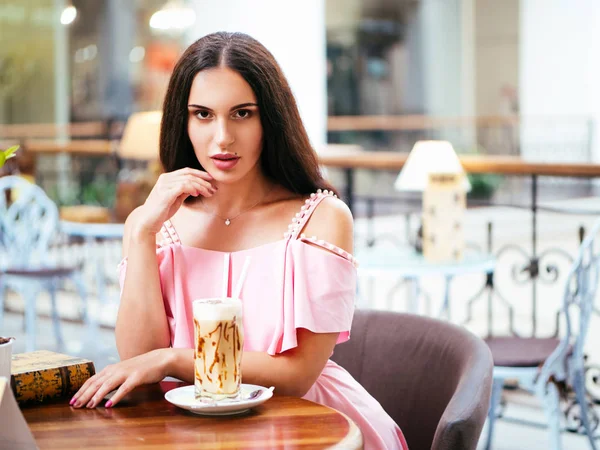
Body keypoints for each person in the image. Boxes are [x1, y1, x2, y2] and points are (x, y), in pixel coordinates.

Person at [70, 31, 408, 450]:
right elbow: (140, 357)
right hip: (187, 432)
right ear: (183, 120)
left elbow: (298, 376)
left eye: (243, 113)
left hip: (309, 424)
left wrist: (176, 359)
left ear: (272, 118)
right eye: (203, 114)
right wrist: (141, 232)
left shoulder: (320, 218)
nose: (223, 138)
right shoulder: (159, 226)